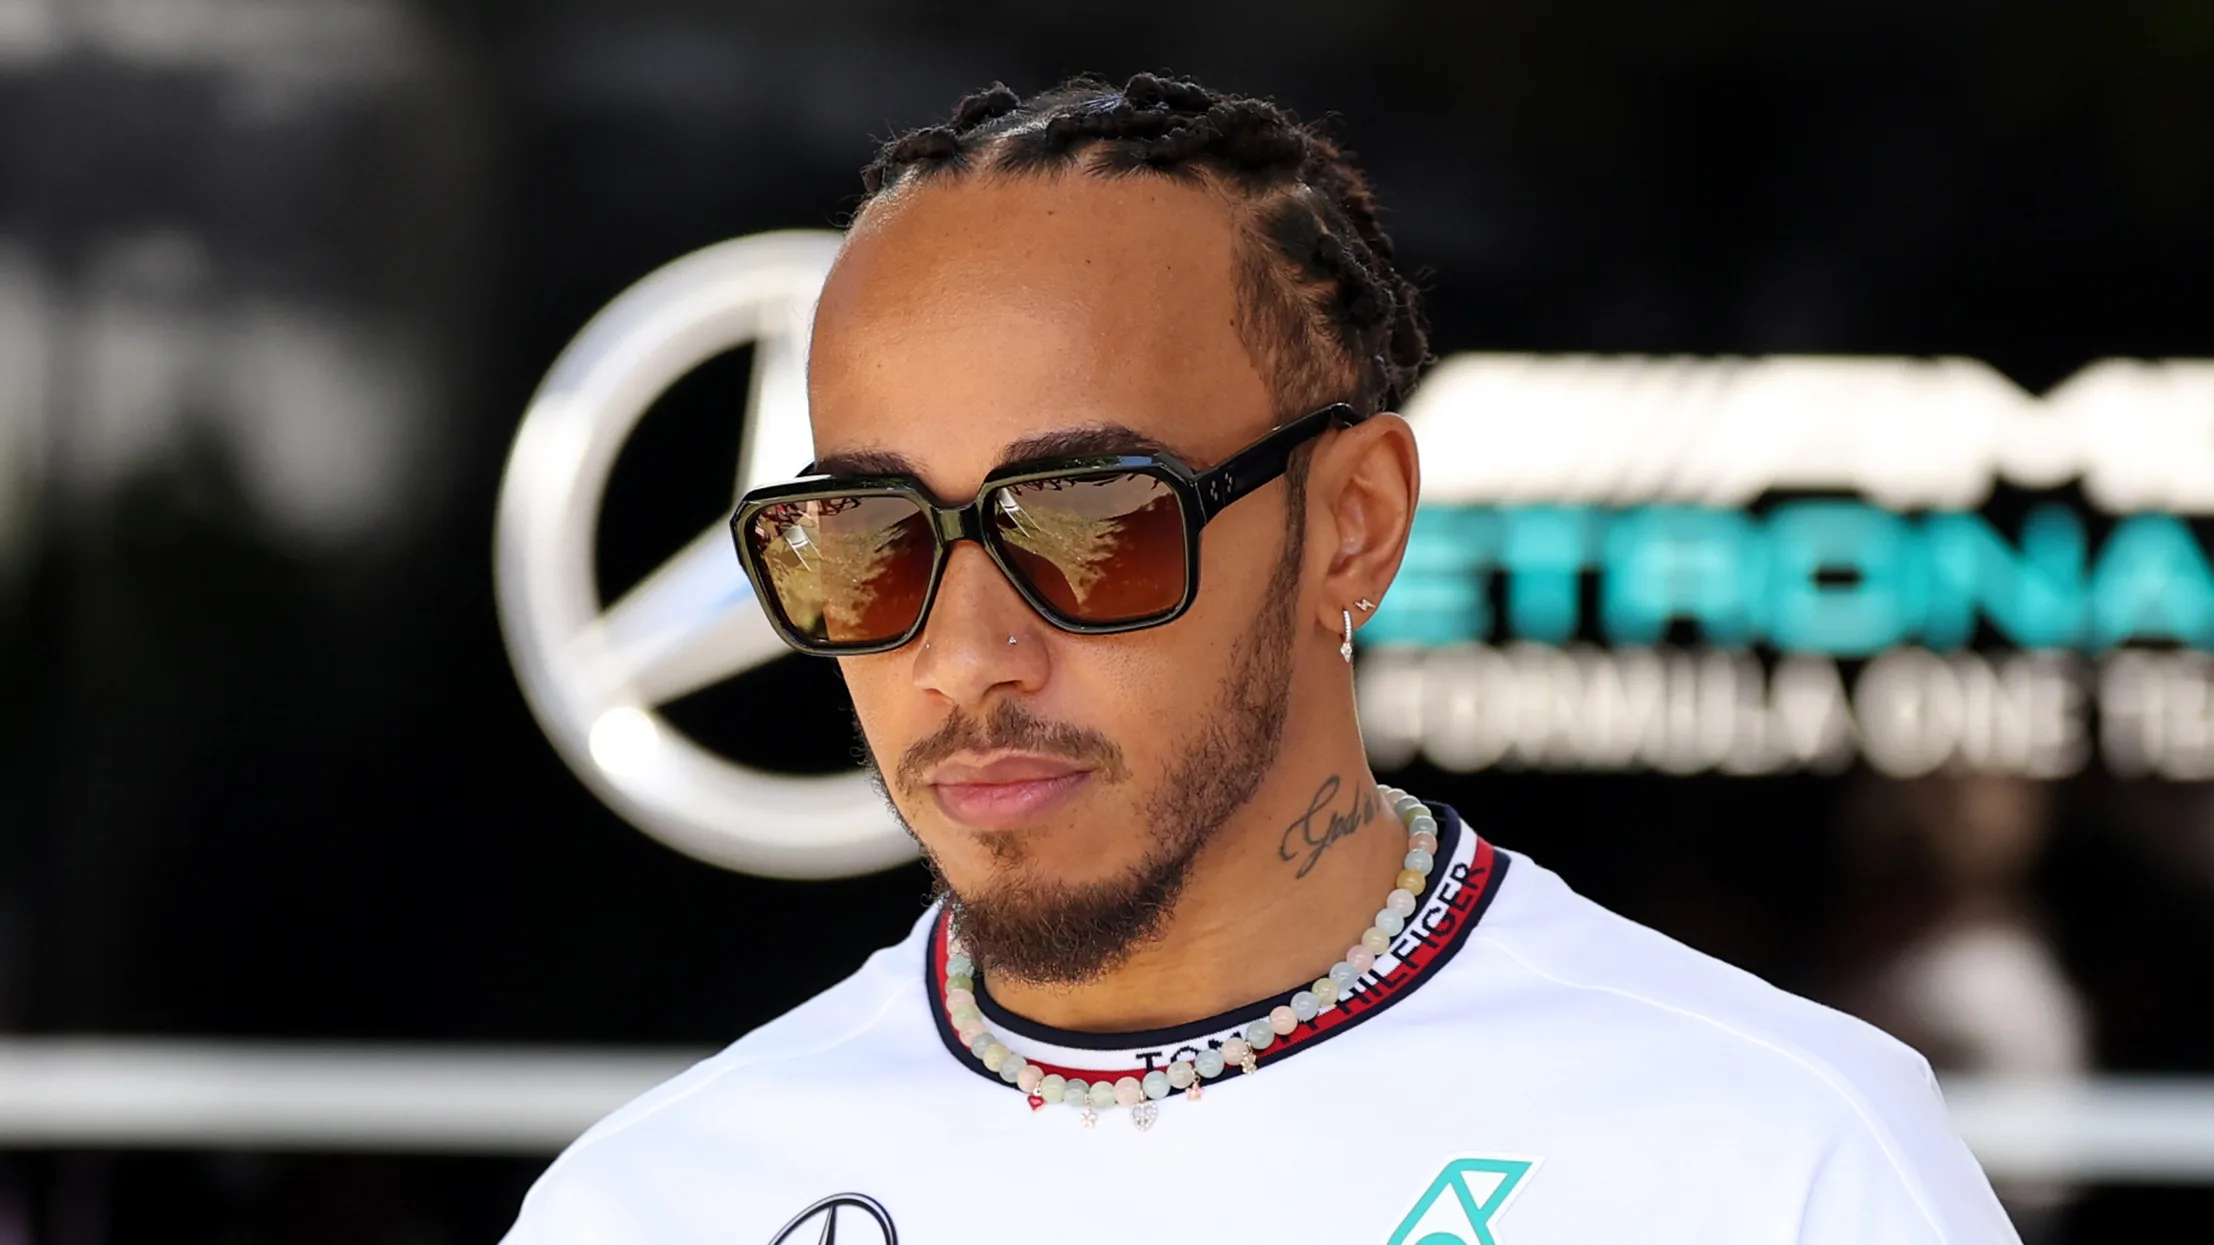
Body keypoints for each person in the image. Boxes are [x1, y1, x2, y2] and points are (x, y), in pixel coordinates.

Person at [503, 73, 2018, 1244]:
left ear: (1351, 525)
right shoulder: (654, 1206)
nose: (964, 653)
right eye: (861, 538)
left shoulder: (1772, 1162)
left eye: (1089, 522)